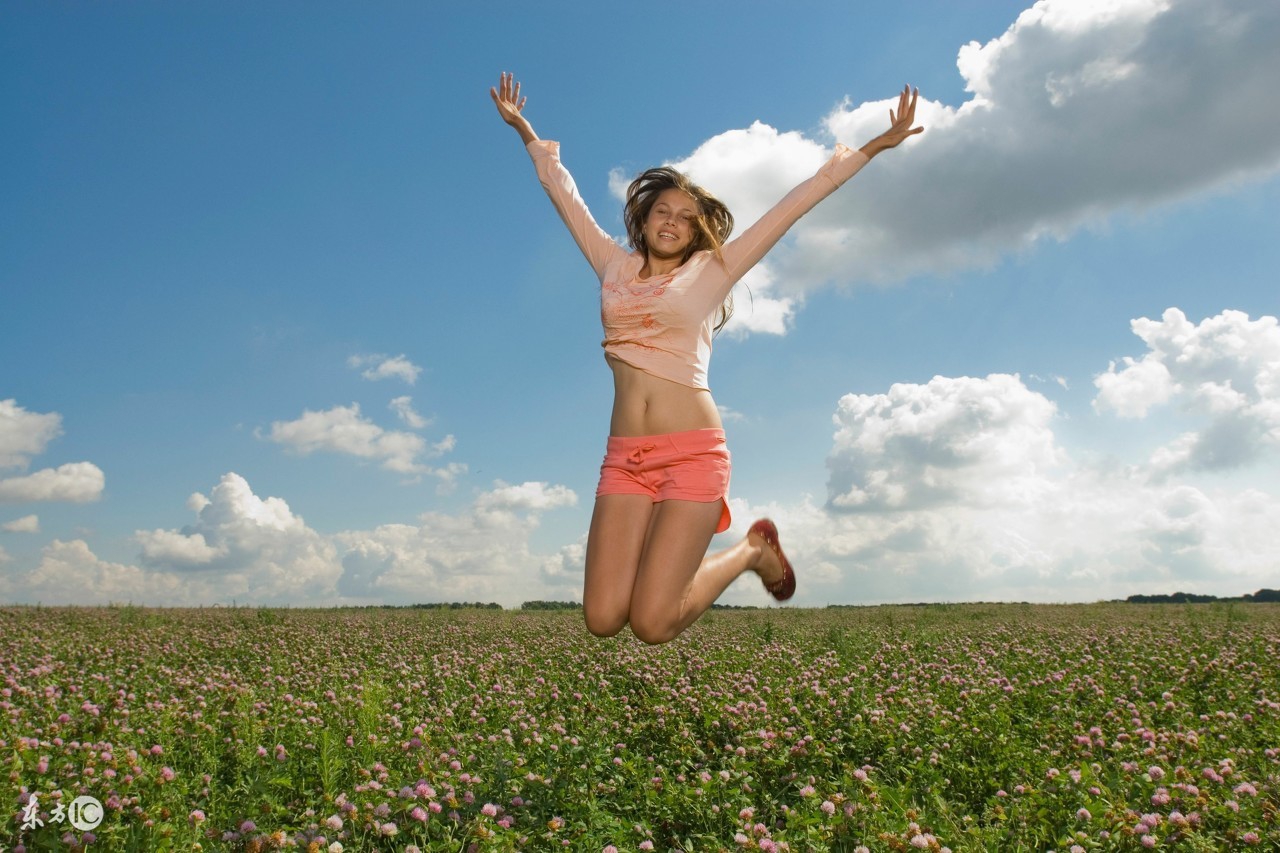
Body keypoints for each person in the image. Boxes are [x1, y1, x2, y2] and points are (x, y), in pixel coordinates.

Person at [491, 72, 922, 644]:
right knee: (601, 620)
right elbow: (563, 195)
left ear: (698, 231)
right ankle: (722, 553)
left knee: (651, 624)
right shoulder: (613, 267)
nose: (672, 222)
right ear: (644, 219)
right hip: (625, 459)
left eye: (687, 217)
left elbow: (793, 206)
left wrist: (871, 148)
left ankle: (750, 550)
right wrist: (525, 128)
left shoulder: (710, 273)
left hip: (692, 452)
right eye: (663, 211)